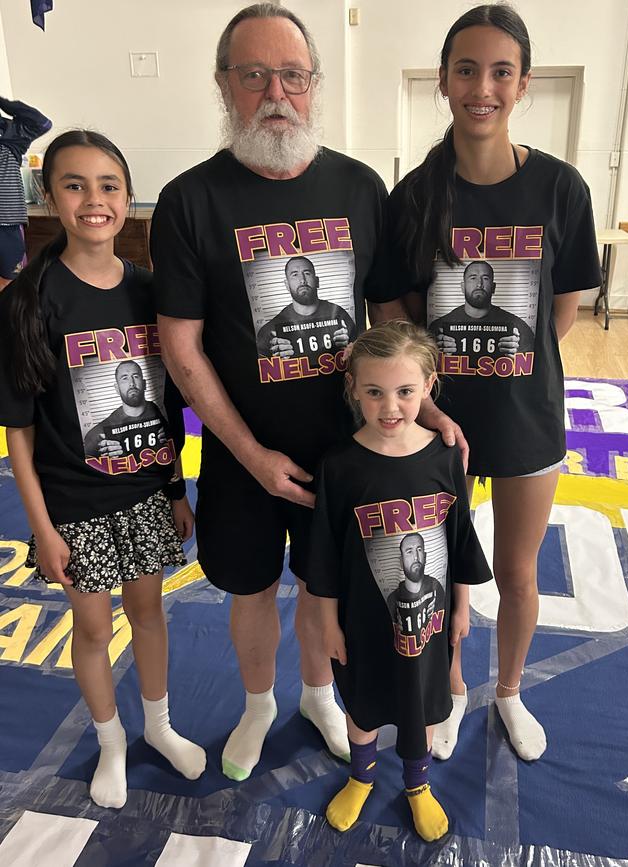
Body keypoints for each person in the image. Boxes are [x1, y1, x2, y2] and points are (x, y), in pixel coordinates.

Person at [150, 3, 465, 783]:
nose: (274, 92)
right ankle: (260, 702)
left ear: (315, 84)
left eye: (291, 74)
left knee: (334, 588)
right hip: (241, 450)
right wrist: (251, 453)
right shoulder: (190, 201)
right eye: (253, 74)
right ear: (225, 84)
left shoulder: (359, 186)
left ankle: (322, 695)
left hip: (350, 451)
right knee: (252, 586)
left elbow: (388, 316)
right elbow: (179, 345)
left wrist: (420, 405)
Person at [386, 4, 601, 761]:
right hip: (435, 420)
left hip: (524, 416)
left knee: (515, 568)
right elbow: (394, 312)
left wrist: (501, 366)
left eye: (500, 71)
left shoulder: (561, 188)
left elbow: (560, 315)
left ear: (523, 84)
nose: (483, 86)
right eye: (467, 69)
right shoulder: (413, 196)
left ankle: (507, 691)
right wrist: (434, 400)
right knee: (440, 569)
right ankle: (450, 688)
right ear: (444, 81)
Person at [0, 130, 206, 809]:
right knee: (93, 627)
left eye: (108, 185)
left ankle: (159, 726)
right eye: (75, 185)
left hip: (146, 491)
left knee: (149, 612)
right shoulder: (29, 299)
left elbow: (168, 404)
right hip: (73, 503)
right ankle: (111, 740)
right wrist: (42, 526)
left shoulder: (151, 291)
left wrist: (175, 486)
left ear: (126, 196)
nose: (94, 200)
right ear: (50, 197)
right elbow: (20, 432)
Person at [307, 321, 492, 841]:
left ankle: (417, 785)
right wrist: (328, 624)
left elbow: (459, 540)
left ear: (429, 385)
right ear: (354, 390)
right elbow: (321, 556)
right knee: (362, 704)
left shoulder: (444, 457)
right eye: (374, 392)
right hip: (361, 622)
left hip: (427, 625)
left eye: (406, 391)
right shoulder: (340, 466)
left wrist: (460, 608)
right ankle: (362, 777)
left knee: (421, 705)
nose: (390, 407)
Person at [255, 255, 356, 365]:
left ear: (317, 281)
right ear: (287, 285)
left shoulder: (340, 315)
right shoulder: (270, 330)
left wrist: (349, 347)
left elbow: (361, 353)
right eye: (295, 275)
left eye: (307, 273)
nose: (302, 280)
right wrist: (275, 361)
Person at [431, 260, 535, 363]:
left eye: (485, 278)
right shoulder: (438, 327)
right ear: (463, 287)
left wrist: (517, 355)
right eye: (473, 278)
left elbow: (529, 367)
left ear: (493, 287)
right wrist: (436, 351)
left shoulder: (519, 329)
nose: (479, 284)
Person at [0, 95, 52, 291]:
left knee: (13, 283)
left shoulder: (9, 136)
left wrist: (3, 102)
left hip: (8, 222)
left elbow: (42, 123)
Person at [83, 359, 169, 459]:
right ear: (117, 388)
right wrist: (104, 458)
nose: (131, 383)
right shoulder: (101, 432)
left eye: (135, 376)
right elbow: (85, 460)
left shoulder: (162, 413)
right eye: (125, 378)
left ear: (144, 383)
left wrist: (171, 435)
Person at [387, 532, 446, 647]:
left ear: (425, 556)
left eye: (419, 550)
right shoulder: (392, 599)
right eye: (409, 552)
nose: (416, 557)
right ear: (401, 561)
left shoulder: (436, 587)